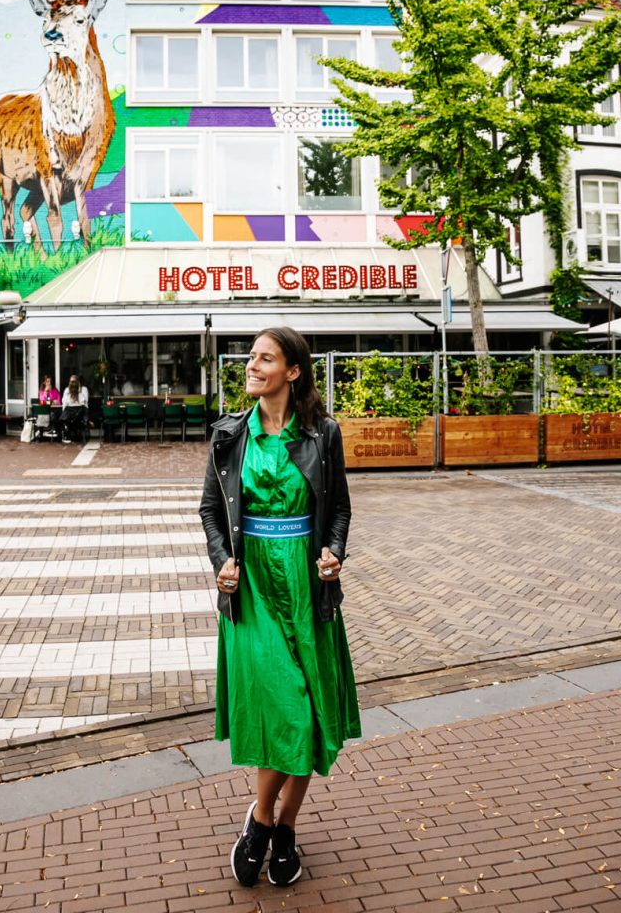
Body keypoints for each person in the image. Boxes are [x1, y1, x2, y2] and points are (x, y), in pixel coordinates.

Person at [199, 327, 360, 889]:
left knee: (312, 716)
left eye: (265, 358)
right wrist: (222, 559)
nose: (252, 365)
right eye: (251, 357)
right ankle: (267, 821)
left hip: (305, 583)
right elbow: (210, 512)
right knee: (289, 709)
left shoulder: (324, 434)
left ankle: (274, 824)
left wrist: (333, 552)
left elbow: (338, 508)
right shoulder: (228, 436)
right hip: (253, 588)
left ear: (292, 371)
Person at [59, 374, 89, 443]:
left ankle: (71, 434)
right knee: (62, 419)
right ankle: (68, 434)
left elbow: (84, 402)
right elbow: (64, 402)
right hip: (71, 413)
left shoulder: (83, 390)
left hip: (79, 414)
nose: (72, 384)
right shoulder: (67, 390)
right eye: (71, 382)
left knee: (72, 418)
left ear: (78, 382)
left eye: (74, 382)